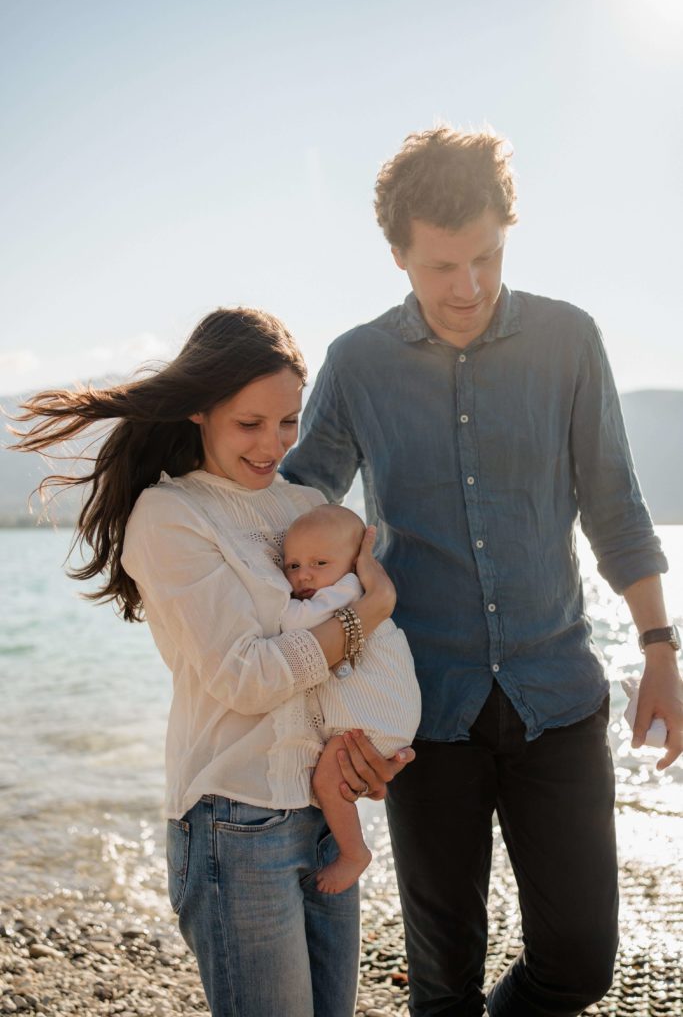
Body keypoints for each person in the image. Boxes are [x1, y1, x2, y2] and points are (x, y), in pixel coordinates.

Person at [281, 126, 683, 1017]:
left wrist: (659, 649)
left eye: (485, 259)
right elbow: (294, 517)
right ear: (397, 256)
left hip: (557, 696)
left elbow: (614, 505)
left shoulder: (568, 340)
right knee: (442, 980)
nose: (466, 288)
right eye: (439, 268)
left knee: (578, 965)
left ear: (507, 230)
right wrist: (323, 701)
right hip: (423, 711)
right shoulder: (357, 363)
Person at [10, 307, 414, 1017]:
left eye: (287, 421)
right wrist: (364, 615)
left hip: (324, 811)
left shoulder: (307, 503)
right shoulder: (172, 515)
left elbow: (351, 662)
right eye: (249, 423)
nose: (273, 445)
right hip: (234, 823)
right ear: (200, 410)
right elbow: (247, 679)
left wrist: (366, 751)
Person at [279, 503, 421, 893]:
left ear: (355, 563)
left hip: (374, 720)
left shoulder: (345, 592)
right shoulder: (340, 590)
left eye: (319, 562)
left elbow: (292, 625)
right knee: (332, 780)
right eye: (292, 566)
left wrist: (274, 596)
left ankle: (354, 853)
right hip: (383, 716)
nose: (304, 574)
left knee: (328, 780)